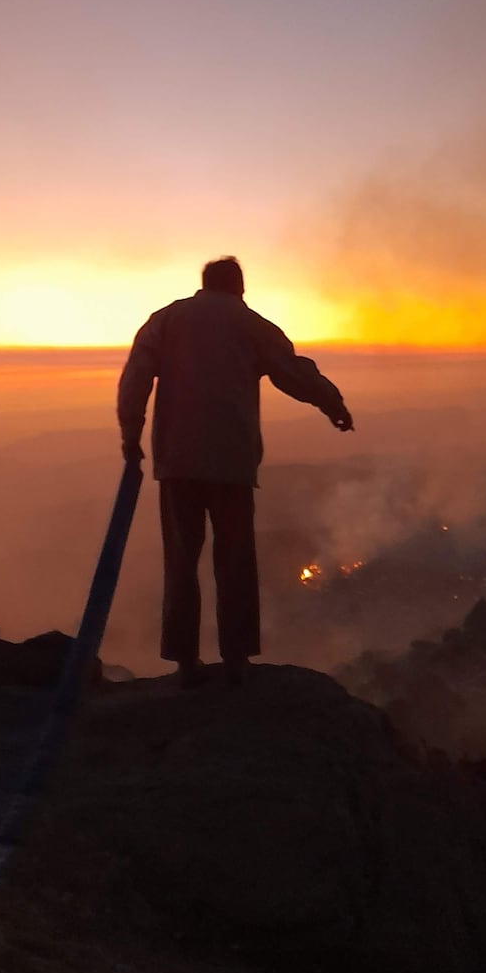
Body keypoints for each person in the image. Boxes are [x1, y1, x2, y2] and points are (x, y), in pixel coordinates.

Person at [117, 257, 353, 688]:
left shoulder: (166, 320)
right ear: (239, 287)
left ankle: (186, 663)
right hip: (231, 462)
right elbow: (293, 373)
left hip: (178, 461)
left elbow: (135, 378)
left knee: (182, 562)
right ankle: (237, 660)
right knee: (235, 560)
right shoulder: (251, 325)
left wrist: (131, 433)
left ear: (204, 285)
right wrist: (332, 404)